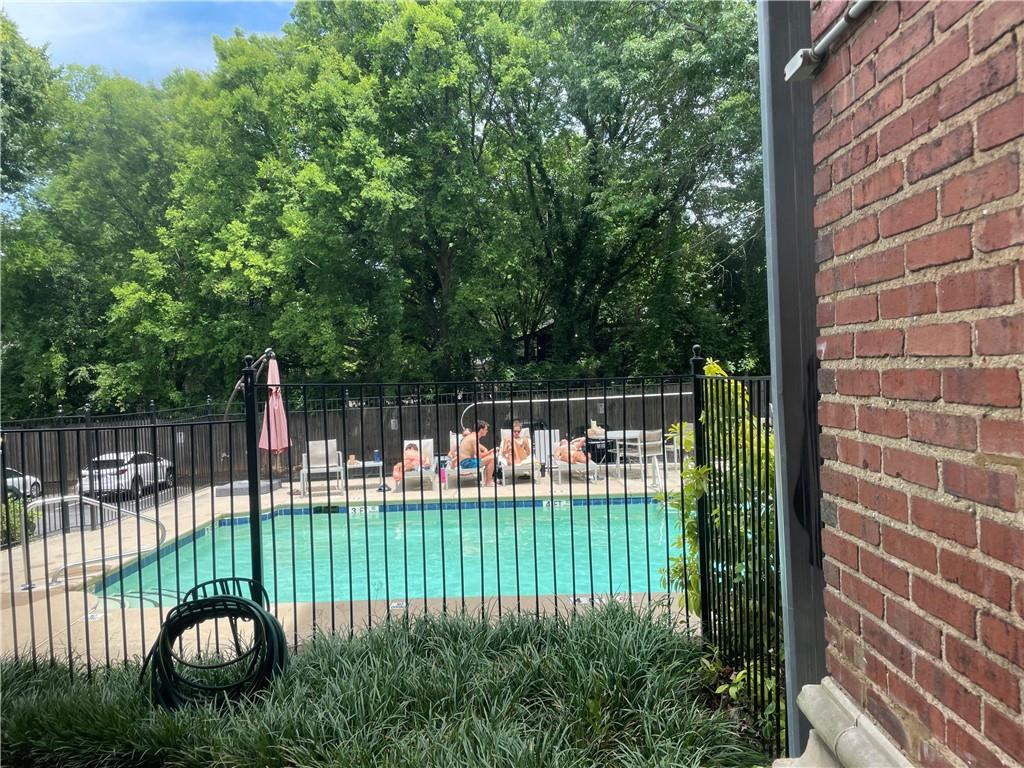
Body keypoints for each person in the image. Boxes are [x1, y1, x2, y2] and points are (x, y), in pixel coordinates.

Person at [458, 420, 495, 486]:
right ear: (481, 430)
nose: (487, 431)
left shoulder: (472, 437)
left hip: (465, 462)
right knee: (491, 459)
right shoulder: (474, 439)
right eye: (486, 429)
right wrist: (491, 451)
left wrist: (488, 453)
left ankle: (487, 481)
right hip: (467, 463)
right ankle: (488, 482)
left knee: (490, 457)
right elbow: (479, 456)